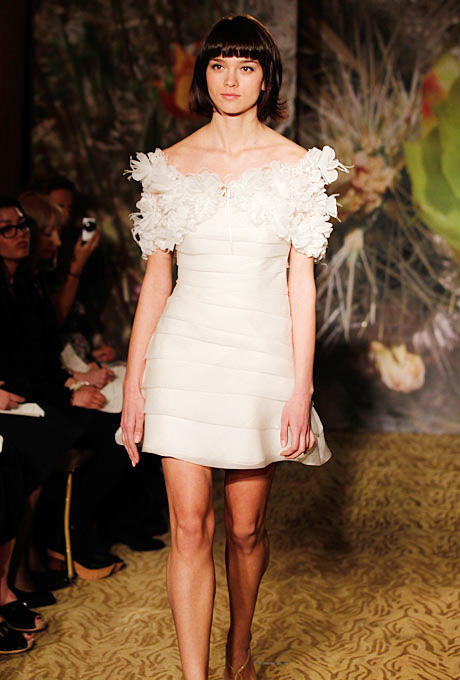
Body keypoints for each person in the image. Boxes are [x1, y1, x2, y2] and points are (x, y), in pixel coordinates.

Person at [120, 15, 347, 680]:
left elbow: (301, 285)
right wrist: (133, 386)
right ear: (204, 74)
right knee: (190, 525)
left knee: (246, 529)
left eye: (246, 66)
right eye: (219, 64)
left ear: (266, 79)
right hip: (183, 355)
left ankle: (238, 649)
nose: (231, 79)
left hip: (260, 357)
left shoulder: (298, 167)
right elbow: (156, 282)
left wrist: (301, 388)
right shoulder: (168, 166)